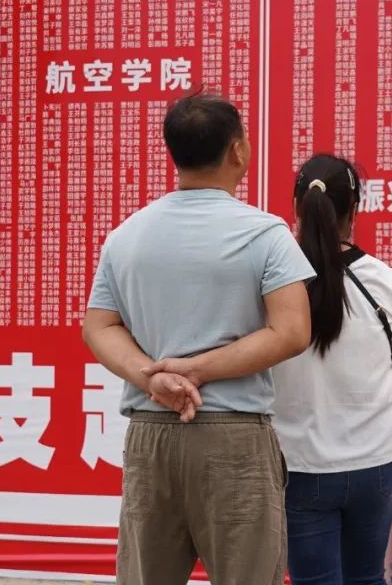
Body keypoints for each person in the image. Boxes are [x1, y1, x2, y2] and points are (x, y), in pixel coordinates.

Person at [147, 154, 392, 585]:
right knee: (367, 578)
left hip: (297, 466)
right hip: (374, 464)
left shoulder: (269, 281)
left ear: (297, 208)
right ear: (355, 211)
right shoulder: (383, 281)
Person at [81, 92, 316, 585]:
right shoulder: (265, 233)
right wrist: (197, 370)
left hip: (152, 431)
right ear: (237, 150)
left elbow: (98, 326)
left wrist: (153, 378)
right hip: (234, 436)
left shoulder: (127, 235)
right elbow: (292, 332)